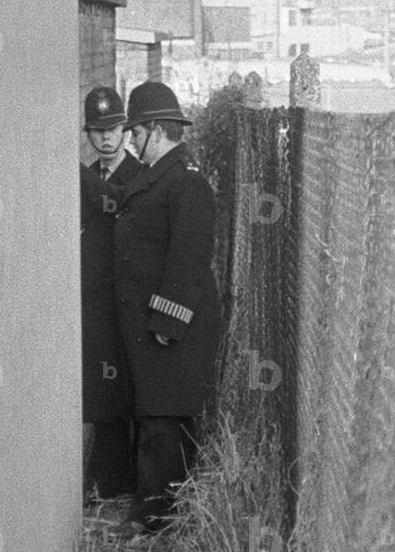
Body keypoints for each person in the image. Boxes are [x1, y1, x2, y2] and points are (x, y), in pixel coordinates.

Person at [110, 81, 221, 537]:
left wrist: (167, 323)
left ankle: (154, 519)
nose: (131, 142)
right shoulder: (160, 175)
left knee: (163, 420)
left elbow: (189, 258)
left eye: (135, 133)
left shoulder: (186, 182)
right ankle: (162, 512)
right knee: (157, 415)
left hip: (172, 326)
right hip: (153, 322)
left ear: (156, 131)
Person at [80, 86, 143, 499]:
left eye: (113, 129)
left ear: (125, 131)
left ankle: (118, 481)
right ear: (88, 134)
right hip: (95, 303)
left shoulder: (138, 177)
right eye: (98, 130)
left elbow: (116, 206)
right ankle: (106, 481)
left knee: (124, 391)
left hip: (127, 301)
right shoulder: (89, 175)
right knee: (101, 390)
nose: (106, 138)